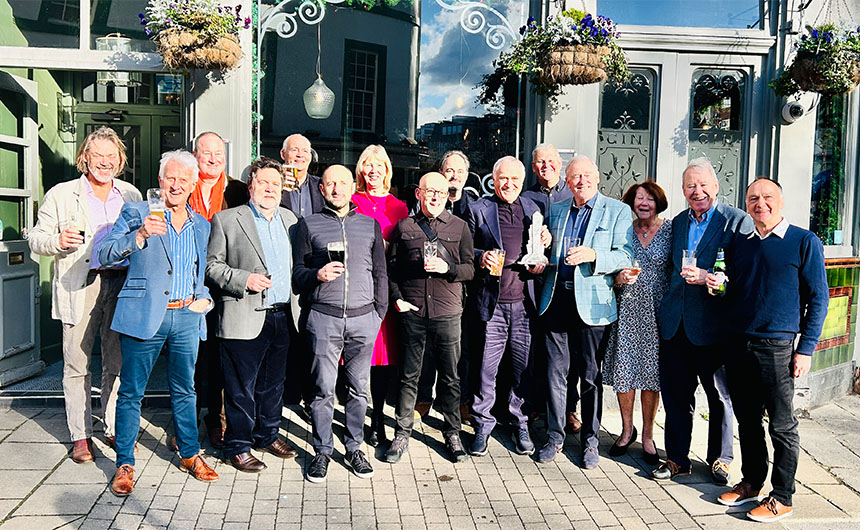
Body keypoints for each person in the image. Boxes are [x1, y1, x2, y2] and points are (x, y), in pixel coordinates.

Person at [100, 150, 218, 496]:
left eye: (184, 180)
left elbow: (201, 271)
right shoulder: (137, 213)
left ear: (193, 184)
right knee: (132, 391)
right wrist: (138, 236)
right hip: (144, 314)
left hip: (186, 315)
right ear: (160, 180)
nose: (177, 185)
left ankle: (190, 453)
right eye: (171, 178)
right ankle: (125, 462)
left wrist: (204, 299)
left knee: (185, 389)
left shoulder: (202, 225)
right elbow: (106, 253)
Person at [713, 178, 828, 522]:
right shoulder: (740, 243)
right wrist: (718, 287)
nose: (759, 203)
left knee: (781, 425)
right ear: (747, 205)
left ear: (781, 201)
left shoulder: (803, 241)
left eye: (766, 197)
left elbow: (818, 299)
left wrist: (805, 349)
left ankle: (782, 496)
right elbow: (730, 290)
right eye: (752, 199)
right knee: (747, 421)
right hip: (738, 343)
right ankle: (752, 482)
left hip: (776, 346)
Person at [28, 126, 142, 463]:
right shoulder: (61, 194)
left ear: (120, 160)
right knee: (77, 364)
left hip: (122, 285)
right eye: (98, 156)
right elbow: (36, 238)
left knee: (116, 362)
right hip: (82, 284)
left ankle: (112, 425)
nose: (105, 163)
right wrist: (57, 242)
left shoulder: (131, 195)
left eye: (111, 156)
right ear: (85, 158)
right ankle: (80, 435)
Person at [653, 157, 753, 485]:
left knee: (719, 397)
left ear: (716, 186)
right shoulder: (679, 222)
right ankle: (677, 458)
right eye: (690, 186)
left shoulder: (736, 221)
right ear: (683, 191)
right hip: (675, 324)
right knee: (677, 396)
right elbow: (670, 268)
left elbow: (745, 276)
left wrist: (709, 277)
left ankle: (720, 460)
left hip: (714, 326)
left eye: (703, 185)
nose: (697, 191)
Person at [535, 155, 632, 469]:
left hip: (592, 305)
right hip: (556, 299)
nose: (581, 181)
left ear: (598, 177)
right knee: (554, 374)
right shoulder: (558, 209)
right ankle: (554, 435)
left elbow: (625, 254)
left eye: (587, 175)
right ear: (567, 181)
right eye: (575, 177)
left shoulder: (617, 210)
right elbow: (549, 250)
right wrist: (546, 245)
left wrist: (593, 254)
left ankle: (590, 441)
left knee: (590, 377)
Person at [292, 165, 387, 483]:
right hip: (324, 318)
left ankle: (355, 447)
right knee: (322, 390)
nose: (336, 189)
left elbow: (381, 274)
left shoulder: (370, 225)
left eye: (342, 183)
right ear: (322, 189)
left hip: (364, 318)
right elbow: (297, 276)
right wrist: (315, 275)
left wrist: (379, 313)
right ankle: (322, 451)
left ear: (352, 187)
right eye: (330, 184)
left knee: (360, 390)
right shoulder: (308, 225)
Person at [206, 157, 301, 473]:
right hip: (243, 314)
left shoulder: (291, 220)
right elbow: (212, 267)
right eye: (264, 183)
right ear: (251, 186)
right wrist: (242, 279)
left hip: (283, 315)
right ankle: (238, 446)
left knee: (273, 385)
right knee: (240, 388)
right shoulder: (228, 220)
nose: (270, 188)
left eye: (276, 184)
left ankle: (268, 434)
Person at [384, 172, 474, 464]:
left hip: (448, 313)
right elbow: (391, 270)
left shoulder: (460, 227)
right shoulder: (404, 227)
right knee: (409, 377)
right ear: (418, 194)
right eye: (428, 191)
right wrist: (397, 299)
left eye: (440, 191)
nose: (434, 196)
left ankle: (452, 433)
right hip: (413, 312)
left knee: (450, 378)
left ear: (448, 194)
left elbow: (470, 269)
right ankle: (402, 432)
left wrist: (448, 267)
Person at [467, 156, 550, 457]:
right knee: (486, 370)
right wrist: (480, 257)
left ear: (523, 180)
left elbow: (543, 247)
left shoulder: (533, 208)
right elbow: (464, 249)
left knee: (521, 369)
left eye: (516, 179)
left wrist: (546, 243)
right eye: (504, 178)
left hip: (525, 304)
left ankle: (520, 422)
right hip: (492, 305)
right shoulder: (478, 209)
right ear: (493, 178)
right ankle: (483, 425)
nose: (509, 184)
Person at [604, 181, 671, 465]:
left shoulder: (670, 229)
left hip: (657, 313)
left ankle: (647, 435)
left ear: (659, 202)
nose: (644, 203)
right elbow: (611, 268)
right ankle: (626, 430)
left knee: (651, 375)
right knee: (625, 371)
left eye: (649, 199)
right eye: (639, 199)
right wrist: (619, 278)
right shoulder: (623, 229)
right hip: (627, 311)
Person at [190, 131, 249, 450]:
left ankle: (218, 420)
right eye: (206, 154)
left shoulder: (238, 191)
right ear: (195, 155)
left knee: (222, 355)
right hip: (191, 283)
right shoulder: (184, 186)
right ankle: (189, 421)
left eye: (218, 154)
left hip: (225, 284)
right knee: (194, 357)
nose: (213, 159)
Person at [351, 145, 409, 446]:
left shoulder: (400, 208)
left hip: (388, 289)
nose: (373, 171)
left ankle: (378, 421)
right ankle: (356, 418)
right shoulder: (352, 201)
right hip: (359, 288)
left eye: (379, 166)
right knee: (359, 356)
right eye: (367, 166)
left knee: (384, 357)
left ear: (387, 170)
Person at [520, 143, 580, 435]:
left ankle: (569, 408)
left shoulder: (573, 195)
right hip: (535, 284)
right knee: (539, 351)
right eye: (539, 162)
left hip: (567, 286)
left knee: (573, 356)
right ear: (533, 168)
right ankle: (536, 405)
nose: (545, 166)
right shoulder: (525, 197)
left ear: (560, 164)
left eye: (550, 161)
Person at [415, 149, 478, 420]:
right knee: (428, 348)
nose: (454, 177)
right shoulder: (424, 203)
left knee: (460, 349)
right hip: (430, 289)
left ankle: (458, 401)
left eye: (459, 172)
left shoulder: (476, 206)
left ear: (466, 176)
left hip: (463, 288)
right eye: (449, 171)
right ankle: (423, 398)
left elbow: (479, 247)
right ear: (441, 174)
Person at [279, 133, 325, 217]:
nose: (300, 155)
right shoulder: (274, 185)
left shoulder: (321, 185)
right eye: (294, 150)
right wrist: (278, 185)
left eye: (305, 151)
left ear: (310, 156)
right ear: (283, 154)